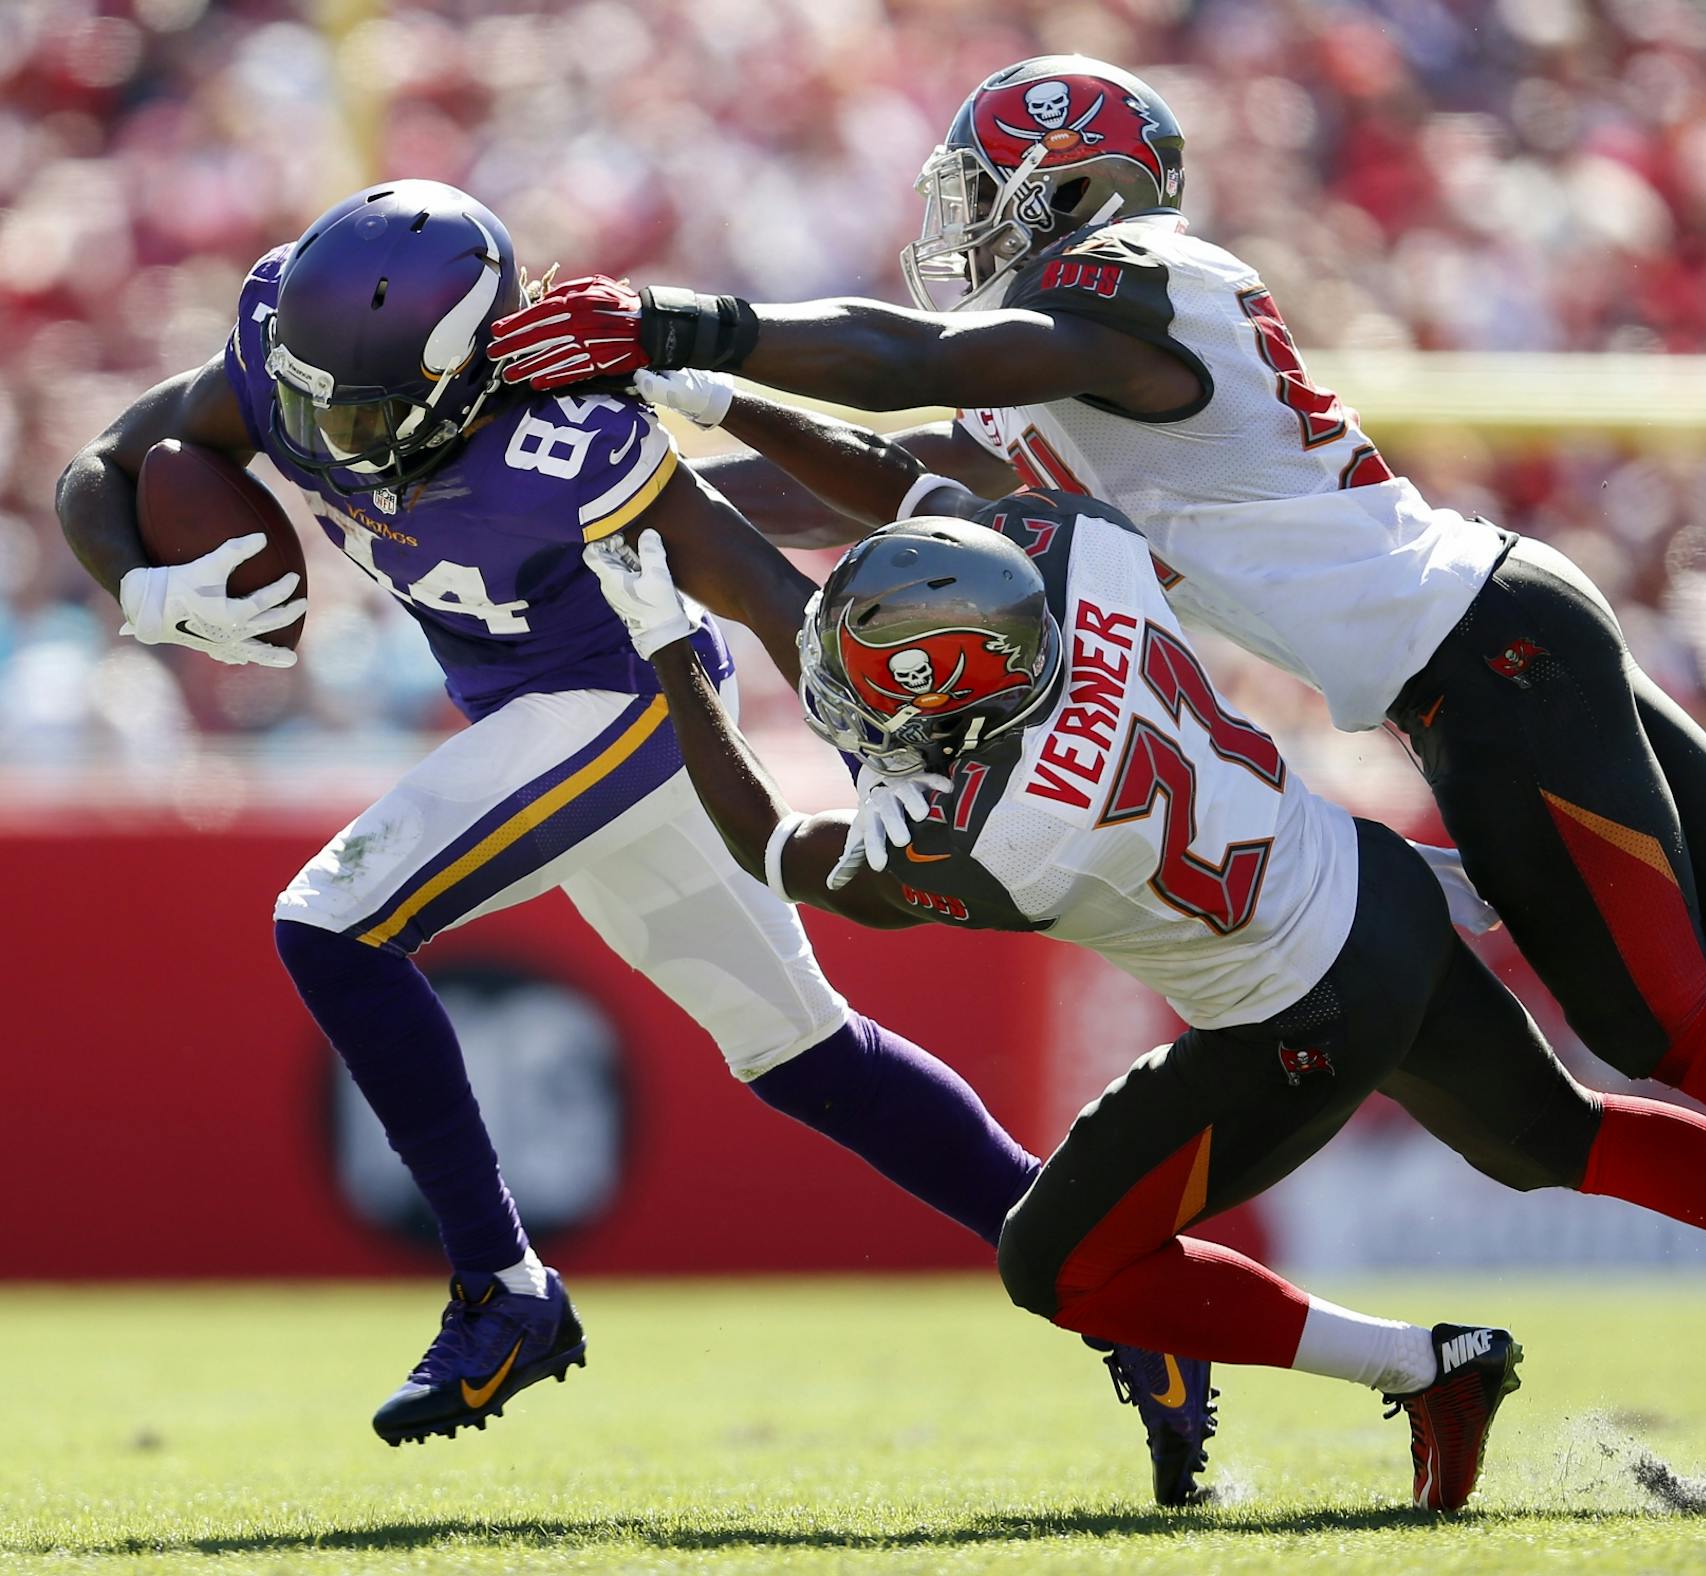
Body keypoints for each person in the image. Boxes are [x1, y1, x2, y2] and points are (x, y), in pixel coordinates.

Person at [489, 54, 1706, 1483]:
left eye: (990, 189)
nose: (968, 222)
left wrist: (683, 320)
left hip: (1484, 665)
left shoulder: (1132, 278)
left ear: (1073, 186)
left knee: (1668, 1021)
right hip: (1498, 631)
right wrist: (659, 463)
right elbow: (890, 460)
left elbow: (919, 372)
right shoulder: (1071, 375)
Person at [51, 180, 1193, 1496]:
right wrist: (142, 584)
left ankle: (503, 1289)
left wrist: (887, 759)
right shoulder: (291, 351)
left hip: (630, 693)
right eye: (308, 406)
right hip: (544, 712)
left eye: (360, 414)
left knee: (331, 925)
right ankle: (1121, 1288)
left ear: (463, 372)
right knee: (806, 1054)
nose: (326, 442)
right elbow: (110, 462)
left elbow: (756, 585)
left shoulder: (567, 433)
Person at [574, 429, 1706, 1510]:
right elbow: (914, 486)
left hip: (1301, 1013)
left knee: (1056, 1262)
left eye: (879, 691)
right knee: (1561, 1135)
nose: (846, 701)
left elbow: (769, 843)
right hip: (1372, 891)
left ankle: (1421, 1366)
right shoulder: (1076, 554)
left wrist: (669, 652)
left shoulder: (999, 838)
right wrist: (719, 413)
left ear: (960, 698)